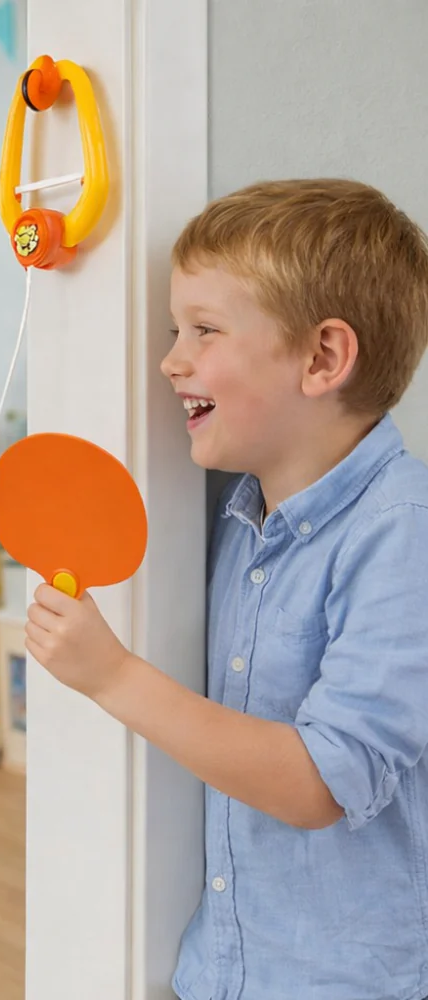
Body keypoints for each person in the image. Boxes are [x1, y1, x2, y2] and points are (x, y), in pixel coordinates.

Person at [26, 179, 428, 1000]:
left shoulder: (402, 533)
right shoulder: (230, 515)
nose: (171, 359)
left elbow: (324, 780)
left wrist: (112, 676)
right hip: (217, 972)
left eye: (204, 330)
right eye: (178, 329)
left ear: (322, 358)